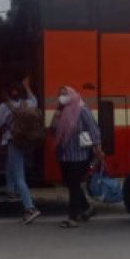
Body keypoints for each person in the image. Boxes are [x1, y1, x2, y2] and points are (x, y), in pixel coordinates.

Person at [49, 85, 103, 228]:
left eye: (65, 94)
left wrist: (98, 148)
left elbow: (93, 128)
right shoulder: (61, 111)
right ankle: (86, 208)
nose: (62, 97)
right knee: (71, 184)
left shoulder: (82, 110)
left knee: (73, 184)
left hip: (80, 155)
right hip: (64, 155)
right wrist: (57, 114)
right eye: (60, 94)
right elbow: (53, 131)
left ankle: (72, 217)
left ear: (72, 95)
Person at [0, 77, 41, 224]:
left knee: (19, 176)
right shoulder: (28, 104)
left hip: (13, 141)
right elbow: (34, 99)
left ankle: (30, 208)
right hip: (27, 143)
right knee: (11, 165)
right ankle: (11, 191)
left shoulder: (5, 107)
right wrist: (27, 86)